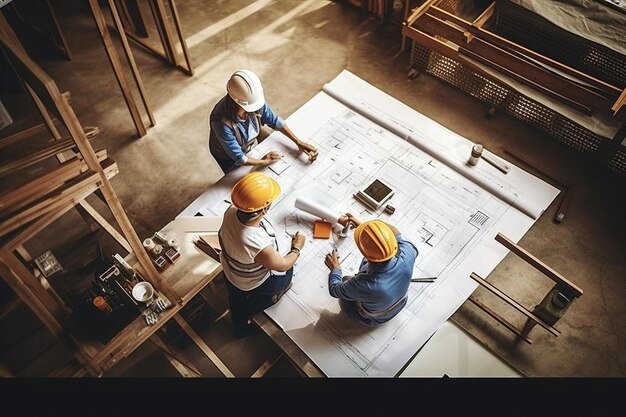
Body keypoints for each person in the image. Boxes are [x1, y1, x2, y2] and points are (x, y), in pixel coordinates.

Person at [218, 171, 306, 338]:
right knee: (287, 276)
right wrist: (296, 248)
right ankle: (270, 300)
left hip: (230, 271)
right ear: (265, 208)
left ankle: (239, 328)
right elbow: (283, 264)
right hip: (250, 282)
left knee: (235, 299)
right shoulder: (254, 241)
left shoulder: (231, 210)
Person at [208, 69, 319, 173]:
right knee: (237, 176)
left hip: (248, 139)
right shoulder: (221, 123)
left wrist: (298, 142)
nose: (254, 109)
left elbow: (275, 121)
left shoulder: (253, 100)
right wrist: (264, 161)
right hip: (225, 155)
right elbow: (239, 158)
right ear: (236, 101)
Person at [324, 214, 418, 326]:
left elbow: (335, 290)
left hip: (373, 318)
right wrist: (368, 229)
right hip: (400, 303)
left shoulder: (363, 284)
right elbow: (396, 232)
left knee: (345, 280)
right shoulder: (408, 252)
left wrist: (335, 269)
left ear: (365, 254)